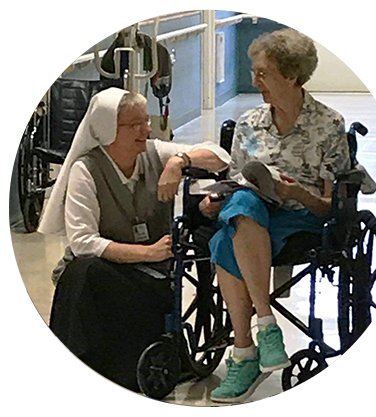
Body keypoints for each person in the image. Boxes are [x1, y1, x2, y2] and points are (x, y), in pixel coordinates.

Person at [28, 87, 230, 392]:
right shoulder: (87, 170)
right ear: (109, 129)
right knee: (84, 270)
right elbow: (83, 242)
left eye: (145, 122)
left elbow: (220, 157)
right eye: (135, 124)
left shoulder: (155, 153)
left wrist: (179, 162)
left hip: (152, 275)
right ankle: (81, 364)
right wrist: (146, 252)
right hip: (108, 270)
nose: (145, 130)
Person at [199, 29, 350, 403]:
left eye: (263, 73)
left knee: (223, 240)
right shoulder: (249, 123)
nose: (255, 81)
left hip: (301, 218)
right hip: (251, 211)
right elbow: (235, 179)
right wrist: (212, 201)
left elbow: (331, 207)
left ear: (292, 76)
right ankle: (265, 325)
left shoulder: (328, 125)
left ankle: (245, 352)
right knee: (241, 204)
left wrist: (296, 191)